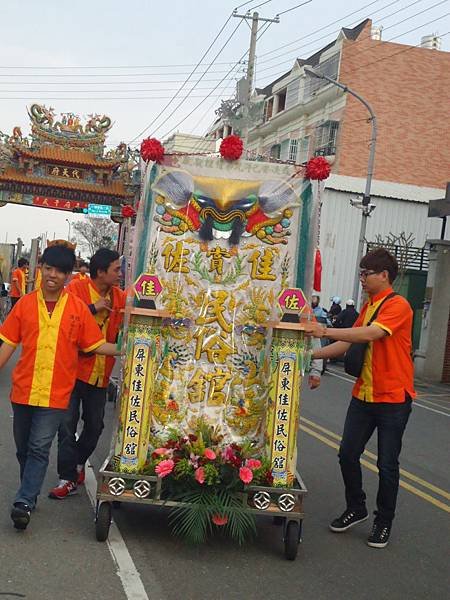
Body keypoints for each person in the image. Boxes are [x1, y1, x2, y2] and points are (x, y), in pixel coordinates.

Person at [0, 244, 120, 530]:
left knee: (40, 447)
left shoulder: (78, 309)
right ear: (41, 270)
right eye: (48, 269)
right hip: (24, 391)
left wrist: (130, 347)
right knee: (24, 449)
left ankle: (24, 502)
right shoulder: (25, 305)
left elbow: (96, 344)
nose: (52, 275)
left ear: (69, 276)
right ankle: (28, 489)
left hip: (56, 396)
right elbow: (7, 345)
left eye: (60, 271)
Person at [304, 248, 415, 549]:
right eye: (361, 273)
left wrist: (324, 328)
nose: (362, 279)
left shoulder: (398, 305)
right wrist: (309, 354)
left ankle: (384, 521)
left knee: (387, 464)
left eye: (367, 273)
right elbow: (344, 344)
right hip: (364, 395)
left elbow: (369, 335)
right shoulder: (368, 306)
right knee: (347, 454)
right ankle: (357, 507)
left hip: (392, 397)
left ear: (384, 275)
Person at [49, 248, 126, 499]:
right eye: (116, 269)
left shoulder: (120, 297)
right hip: (73, 371)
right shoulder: (76, 290)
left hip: (101, 374)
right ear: (101, 272)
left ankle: (79, 462)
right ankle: (67, 477)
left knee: (95, 425)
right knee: (66, 427)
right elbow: (66, 317)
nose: (120, 273)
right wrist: (94, 307)